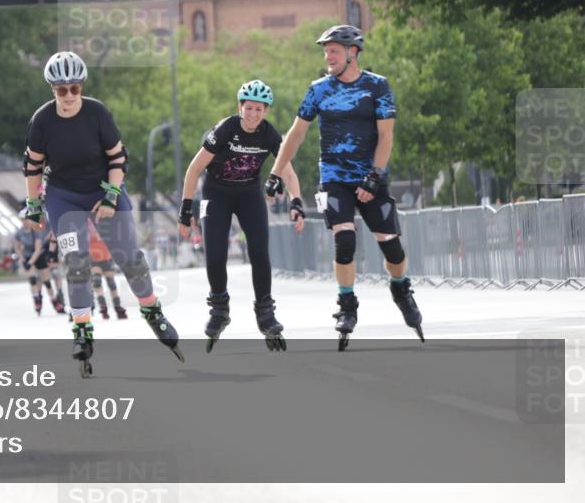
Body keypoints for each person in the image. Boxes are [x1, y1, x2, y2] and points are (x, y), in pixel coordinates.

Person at [23, 51, 183, 377]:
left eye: (74, 89)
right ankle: (82, 329)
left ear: (81, 86)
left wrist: (111, 197)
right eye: (61, 90)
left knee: (129, 257)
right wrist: (34, 205)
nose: (68, 96)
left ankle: (152, 310)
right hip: (64, 196)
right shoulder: (42, 120)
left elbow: (118, 159)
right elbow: (33, 166)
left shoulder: (97, 113)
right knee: (77, 262)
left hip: (102, 188)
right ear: (52, 89)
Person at [269, 24, 424, 351]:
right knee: (344, 240)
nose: (328, 56)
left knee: (391, 247)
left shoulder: (377, 87)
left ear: (353, 53)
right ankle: (346, 304)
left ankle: (400, 288)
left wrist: (374, 177)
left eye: (334, 50)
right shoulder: (318, 90)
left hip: (371, 177)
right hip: (334, 179)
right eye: (325, 51)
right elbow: (295, 134)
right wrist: (275, 172)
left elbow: (386, 137)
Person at [178, 79, 305, 352]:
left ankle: (265, 312)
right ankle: (219, 309)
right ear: (240, 107)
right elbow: (193, 168)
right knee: (214, 254)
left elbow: (289, 172)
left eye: (259, 110)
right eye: (249, 109)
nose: (253, 115)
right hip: (215, 194)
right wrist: (185, 208)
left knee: (259, 252)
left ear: (266, 111)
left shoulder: (270, 134)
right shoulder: (226, 129)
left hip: (249, 194)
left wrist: (297, 202)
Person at [14, 214, 65, 315]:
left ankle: (54, 300)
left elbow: (38, 249)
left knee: (46, 281)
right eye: (23, 220)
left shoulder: (36, 230)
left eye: (27, 219)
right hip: (28, 257)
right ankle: (37, 298)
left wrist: (30, 263)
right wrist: (23, 260)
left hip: (39, 256)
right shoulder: (19, 233)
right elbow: (17, 248)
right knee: (32, 279)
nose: (25, 222)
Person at [87, 220, 127, 320]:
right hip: (94, 259)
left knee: (111, 284)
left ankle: (118, 308)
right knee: (96, 281)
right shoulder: (88, 227)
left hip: (106, 258)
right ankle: (103, 307)